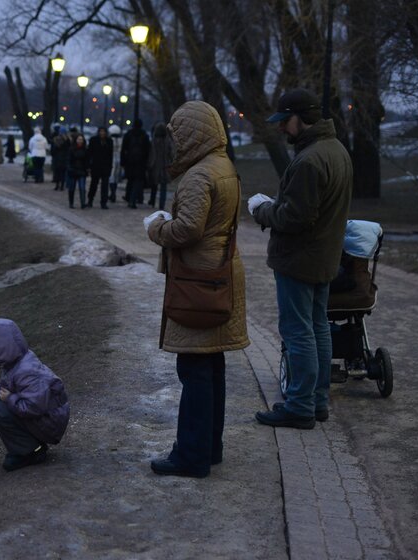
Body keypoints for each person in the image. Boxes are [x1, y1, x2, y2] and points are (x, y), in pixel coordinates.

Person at [144, 100, 249, 478]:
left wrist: (155, 227)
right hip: (218, 274)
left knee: (194, 368)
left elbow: (188, 229)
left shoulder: (199, 175)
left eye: (177, 135)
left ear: (191, 134)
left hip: (198, 283)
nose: (175, 143)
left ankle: (191, 456)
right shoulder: (224, 167)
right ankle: (209, 447)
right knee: (210, 365)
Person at [249, 88, 353, 429]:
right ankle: (316, 401)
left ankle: (299, 405)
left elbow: (295, 218)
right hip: (322, 257)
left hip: (299, 259)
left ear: (301, 117)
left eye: (285, 121)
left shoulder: (310, 160)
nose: (281, 128)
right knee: (318, 328)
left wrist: (262, 210)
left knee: (298, 332)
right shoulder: (336, 150)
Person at [0, 318, 70, 472]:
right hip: (47, 417)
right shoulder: (16, 364)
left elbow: (34, 407)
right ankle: (30, 445)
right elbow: (2, 390)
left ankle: (31, 452)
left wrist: (10, 399)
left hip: (50, 424)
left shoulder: (27, 372)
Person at [120, 119, 150, 208]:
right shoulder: (144, 135)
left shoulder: (128, 134)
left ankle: (128, 197)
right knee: (137, 181)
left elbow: (123, 149)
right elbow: (147, 150)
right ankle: (132, 200)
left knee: (130, 180)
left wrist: (123, 161)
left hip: (129, 161)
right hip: (140, 162)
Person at [86, 126, 113, 209]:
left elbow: (110, 154)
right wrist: (89, 166)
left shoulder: (109, 141)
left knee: (105, 186)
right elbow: (89, 153)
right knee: (94, 184)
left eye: (103, 131)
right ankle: (90, 200)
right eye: (101, 131)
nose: (102, 133)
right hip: (96, 166)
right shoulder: (94, 140)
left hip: (105, 166)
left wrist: (110, 166)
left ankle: (103, 202)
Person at [147, 123, 170, 210]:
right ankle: (161, 204)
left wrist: (149, 164)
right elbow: (171, 154)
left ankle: (152, 201)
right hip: (165, 165)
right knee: (163, 187)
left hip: (155, 165)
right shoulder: (167, 142)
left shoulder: (153, 141)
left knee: (154, 184)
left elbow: (151, 153)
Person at [66, 134, 88, 208]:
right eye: (79, 139)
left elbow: (87, 160)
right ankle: (71, 203)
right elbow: (69, 160)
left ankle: (83, 203)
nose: (80, 141)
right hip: (73, 170)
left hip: (82, 170)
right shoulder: (71, 149)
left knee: (82, 187)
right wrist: (70, 168)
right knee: (72, 188)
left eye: (81, 139)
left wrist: (87, 168)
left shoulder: (85, 149)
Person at [108, 124, 123, 202]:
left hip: (112, 160)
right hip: (118, 160)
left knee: (111, 178)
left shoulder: (110, 140)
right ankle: (113, 193)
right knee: (115, 178)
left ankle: (112, 193)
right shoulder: (121, 140)